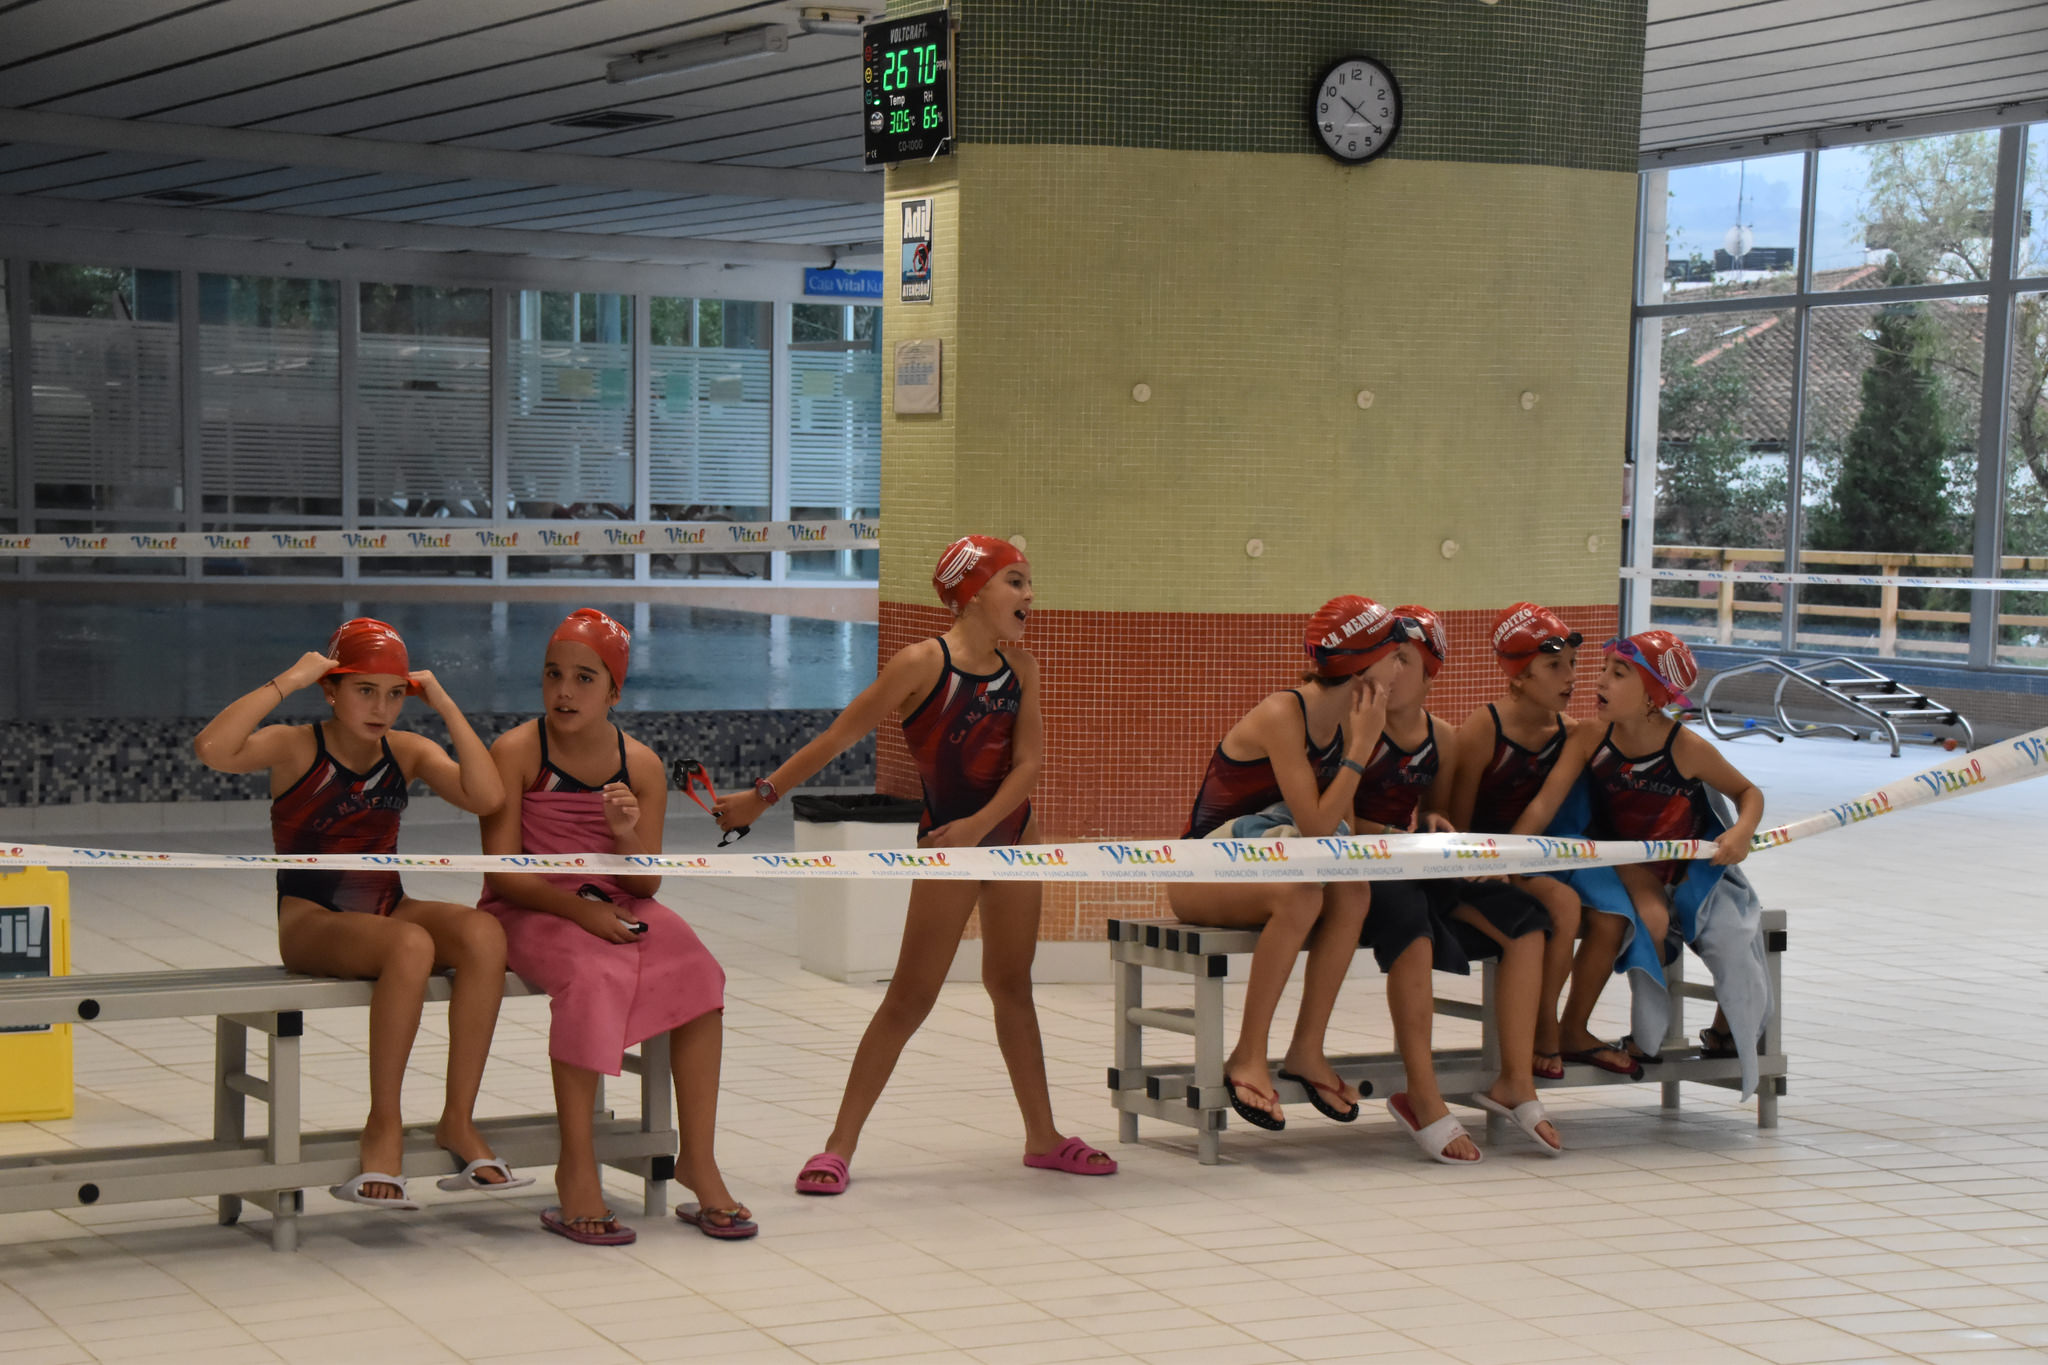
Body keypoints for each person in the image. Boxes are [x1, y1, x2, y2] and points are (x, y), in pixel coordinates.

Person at [715, 535, 1116, 1192]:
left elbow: (1028, 766)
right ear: (973, 592)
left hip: (1011, 836)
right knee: (909, 996)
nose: (1030, 594)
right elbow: (838, 736)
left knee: (1012, 987)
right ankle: (837, 1147)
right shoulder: (922, 664)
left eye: (1028, 581)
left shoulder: (1022, 668)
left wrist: (981, 828)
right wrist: (761, 797)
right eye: (1015, 581)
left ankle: (1043, 1136)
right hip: (948, 845)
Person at [192, 618, 519, 1210]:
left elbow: (487, 796)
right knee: (410, 944)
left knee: (483, 933)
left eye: (394, 694)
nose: (381, 708)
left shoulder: (407, 751)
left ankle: (458, 1119)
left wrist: (445, 706)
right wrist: (290, 679)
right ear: (332, 689)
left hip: (387, 907)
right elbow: (212, 749)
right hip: (311, 920)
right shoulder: (296, 746)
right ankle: (383, 1126)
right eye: (365, 690)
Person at [479, 609, 748, 1245]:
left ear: (614, 692)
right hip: (530, 907)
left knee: (698, 970)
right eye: (553, 675)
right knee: (593, 973)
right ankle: (576, 1168)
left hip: (615, 899)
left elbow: (645, 886)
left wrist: (626, 835)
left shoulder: (641, 766)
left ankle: (698, 1160)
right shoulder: (516, 753)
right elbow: (504, 876)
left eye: (584, 678)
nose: (564, 692)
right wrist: (582, 912)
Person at [1169, 595, 1396, 1130]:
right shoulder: (1283, 713)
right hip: (1199, 872)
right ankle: (1248, 1054)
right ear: (1364, 669)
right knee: (1302, 893)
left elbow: (1343, 836)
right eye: (1395, 658)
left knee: (1354, 889)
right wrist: (1361, 749)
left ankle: (1306, 1050)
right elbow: (1316, 829)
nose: (1401, 671)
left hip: (1265, 867)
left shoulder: (1344, 726)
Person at [1352, 606, 1563, 1162]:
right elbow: (1330, 819)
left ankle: (1516, 1080)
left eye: (1402, 660)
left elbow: (1438, 817)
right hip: (1360, 875)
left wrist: (1439, 828)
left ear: (1430, 673)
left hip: (1415, 868)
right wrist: (1394, 834)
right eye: (1383, 658)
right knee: (1412, 926)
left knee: (1526, 919)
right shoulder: (1353, 727)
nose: (1387, 670)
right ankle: (1422, 1095)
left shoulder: (1442, 739)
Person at [1509, 630, 1764, 1063]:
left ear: (1651, 696)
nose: (1600, 680)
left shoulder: (1686, 748)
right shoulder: (1590, 737)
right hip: (1627, 864)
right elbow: (1544, 805)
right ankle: (1646, 1038)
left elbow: (1748, 792)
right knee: (1652, 920)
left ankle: (1729, 1030)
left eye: (1618, 673)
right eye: (1603, 669)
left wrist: (1741, 832)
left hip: (1689, 871)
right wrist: (1506, 856)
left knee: (1735, 940)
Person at [1446, 604, 1593, 1081]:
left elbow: (1552, 812)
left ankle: (1544, 1020)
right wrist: (1486, 866)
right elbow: (1458, 821)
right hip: (1476, 866)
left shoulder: (1571, 734)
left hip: (1528, 861)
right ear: (1519, 676)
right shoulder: (1485, 727)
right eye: (1554, 666)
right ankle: (1543, 1028)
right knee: (1561, 902)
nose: (1570, 677)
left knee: (1566, 902)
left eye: (1572, 663)